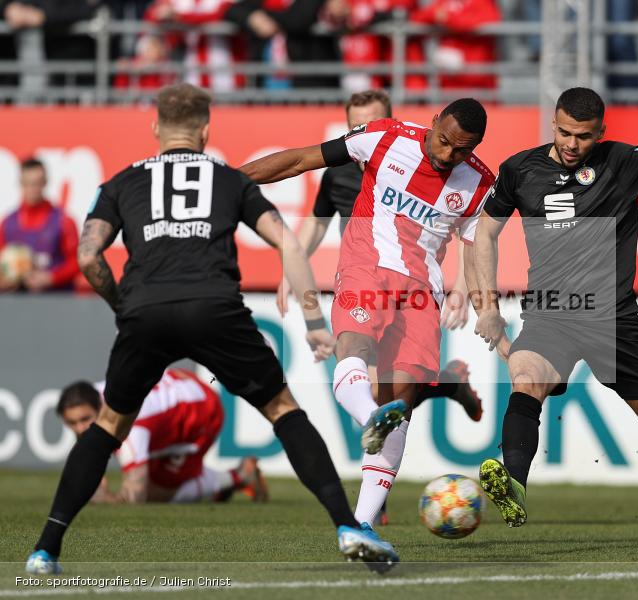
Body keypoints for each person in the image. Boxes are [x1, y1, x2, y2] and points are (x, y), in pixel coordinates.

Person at [25, 83, 398, 576]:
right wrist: (312, 322)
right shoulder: (228, 179)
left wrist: (122, 305)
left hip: (146, 310)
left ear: (156, 127)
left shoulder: (121, 183)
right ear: (206, 130)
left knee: (109, 426)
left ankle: (46, 549)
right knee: (284, 411)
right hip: (215, 310)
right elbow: (287, 243)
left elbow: (89, 256)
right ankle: (348, 526)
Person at [470, 87, 638, 549]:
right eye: (565, 133)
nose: (572, 144)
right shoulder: (520, 169)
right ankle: (514, 484)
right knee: (526, 379)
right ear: (553, 124)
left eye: (584, 136)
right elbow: (485, 233)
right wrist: (488, 306)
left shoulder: (622, 163)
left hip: (613, 319)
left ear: (601, 133)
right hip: (551, 312)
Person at [240, 97, 494, 532]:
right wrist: (229, 182)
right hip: (367, 266)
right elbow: (301, 159)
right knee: (355, 351)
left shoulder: (480, 182)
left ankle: (359, 526)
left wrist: (467, 293)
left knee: (400, 406)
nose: (447, 154)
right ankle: (369, 418)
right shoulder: (386, 137)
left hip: (422, 294)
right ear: (434, 123)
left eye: (460, 150)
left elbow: (476, 246)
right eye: (444, 140)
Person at [57, 368, 267, 504]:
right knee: (158, 474)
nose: (80, 428)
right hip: (180, 386)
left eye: (85, 420)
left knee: (156, 492)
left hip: (201, 413)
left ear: (100, 408)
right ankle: (218, 488)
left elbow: (135, 497)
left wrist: (105, 499)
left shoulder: (131, 426)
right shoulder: (96, 395)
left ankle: (238, 476)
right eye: (72, 423)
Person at [0, 158, 79, 292]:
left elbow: (77, 262)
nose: (32, 189)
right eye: (28, 183)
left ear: (45, 183)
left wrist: (51, 278)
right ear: (20, 183)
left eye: (37, 183)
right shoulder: (8, 223)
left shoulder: (63, 221)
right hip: (17, 302)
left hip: (56, 300)